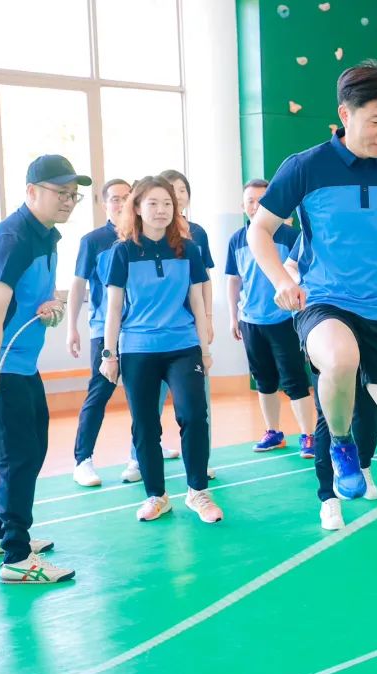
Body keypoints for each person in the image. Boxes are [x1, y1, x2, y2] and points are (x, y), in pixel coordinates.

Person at [247, 60, 377, 590]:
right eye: (376, 120)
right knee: (338, 358)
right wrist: (280, 281)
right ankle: (339, 444)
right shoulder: (305, 167)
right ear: (345, 114)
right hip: (324, 300)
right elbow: (260, 231)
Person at [0, 154, 89, 583]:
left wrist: (51, 309)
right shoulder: (13, 238)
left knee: (32, 448)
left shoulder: (47, 236)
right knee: (17, 457)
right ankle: (17, 557)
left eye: (73, 194)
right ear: (32, 191)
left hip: (20, 362)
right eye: (61, 192)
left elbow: (30, 300)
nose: (68, 200)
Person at [99, 176, 222, 524]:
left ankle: (198, 491)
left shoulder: (188, 249)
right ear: (137, 208)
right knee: (145, 425)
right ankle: (156, 496)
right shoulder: (122, 252)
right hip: (138, 349)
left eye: (167, 203)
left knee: (194, 414)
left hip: (182, 346)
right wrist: (109, 354)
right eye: (152, 203)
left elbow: (197, 302)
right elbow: (113, 308)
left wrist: (204, 349)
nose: (161, 210)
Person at [284, 235, 377, 531]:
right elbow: (289, 266)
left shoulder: (371, 226)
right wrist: (295, 288)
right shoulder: (315, 226)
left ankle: (363, 467)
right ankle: (328, 498)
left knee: (366, 405)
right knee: (327, 414)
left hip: (369, 319)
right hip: (323, 322)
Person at [226, 179, 317, 456]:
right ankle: (273, 432)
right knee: (264, 381)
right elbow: (233, 280)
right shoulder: (237, 239)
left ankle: (308, 435)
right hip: (251, 322)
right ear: (242, 206)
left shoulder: (291, 237)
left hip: (285, 321)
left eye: (262, 200)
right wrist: (233, 317)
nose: (256, 206)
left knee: (294, 380)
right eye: (250, 201)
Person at [66, 178, 131, 487]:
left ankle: (144, 450)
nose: (122, 203)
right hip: (103, 331)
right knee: (100, 392)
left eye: (127, 197)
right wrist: (72, 328)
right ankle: (83, 460)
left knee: (145, 394)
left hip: (138, 332)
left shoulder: (143, 237)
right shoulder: (93, 240)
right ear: (104, 204)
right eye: (115, 198)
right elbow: (78, 286)